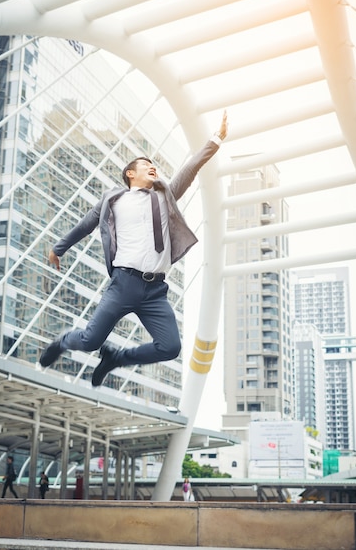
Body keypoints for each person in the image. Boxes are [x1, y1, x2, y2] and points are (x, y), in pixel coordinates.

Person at [40, 111, 228, 386]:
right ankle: (63, 342)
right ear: (130, 173)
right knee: (91, 340)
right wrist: (58, 249)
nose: (153, 167)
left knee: (170, 347)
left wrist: (217, 138)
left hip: (155, 291)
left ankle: (117, 358)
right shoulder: (113, 200)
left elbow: (190, 169)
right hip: (123, 284)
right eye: (145, 164)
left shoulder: (164, 196)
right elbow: (85, 225)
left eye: (154, 165)